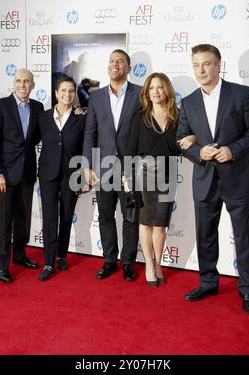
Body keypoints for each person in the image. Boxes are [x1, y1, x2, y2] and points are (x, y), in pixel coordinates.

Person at [176, 44, 249, 314]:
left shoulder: (240, 94)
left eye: (206, 64)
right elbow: (181, 138)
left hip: (236, 177)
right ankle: (208, 282)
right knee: (205, 235)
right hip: (204, 179)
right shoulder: (189, 101)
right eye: (196, 65)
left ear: (218, 65)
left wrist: (233, 150)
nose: (201, 70)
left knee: (243, 236)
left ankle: (248, 290)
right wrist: (198, 151)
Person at [123, 73, 195, 287]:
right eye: (152, 87)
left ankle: (158, 263)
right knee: (145, 223)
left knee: (160, 225)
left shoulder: (178, 116)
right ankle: (148, 264)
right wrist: (126, 175)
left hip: (168, 173)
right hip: (143, 173)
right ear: (147, 92)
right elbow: (130, 150)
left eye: (160, 87)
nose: (156, 91)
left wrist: (193, 137)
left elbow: (183, 145)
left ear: (167, 91)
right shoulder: (140, 117)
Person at [82, 49, 142, 281]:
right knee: (105, 216)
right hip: (103, 168)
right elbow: (90, 132)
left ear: (128, 68)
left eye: (120, 61)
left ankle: (128, 261)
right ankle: (109, 260)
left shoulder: (140, 94)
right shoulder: (95, 97)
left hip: (130, 168)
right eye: (111, 61)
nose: (115, 65)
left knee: (130, 217)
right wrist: (87, 164)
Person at [0, 68, 44, 283]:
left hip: (27, 172)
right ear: (14, 83)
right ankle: (2, 265)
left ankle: (19, 256)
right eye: (19, 81)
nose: (22, 85)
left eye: (26, 81)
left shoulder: (38, 107)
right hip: (5, 175)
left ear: (33, 85)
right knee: (3, 222)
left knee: (23, 219)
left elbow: (38, 136)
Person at [38, 75, 85, 281]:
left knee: (66, 217)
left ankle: (61, 255)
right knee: (49, 218)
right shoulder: (43, 117)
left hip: (71, 174)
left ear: (75, 94)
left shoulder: (81, 118)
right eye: (63, 91)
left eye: (71, 91)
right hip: (48, 174)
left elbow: (86, 147)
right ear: (56, 93)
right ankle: (48, 262)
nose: (67, 94)